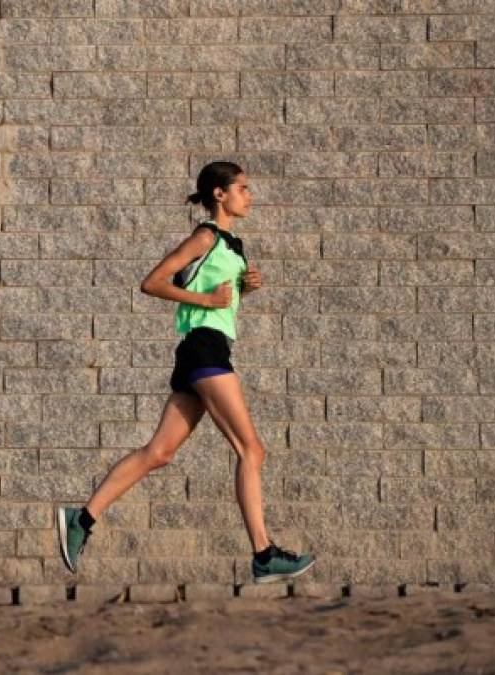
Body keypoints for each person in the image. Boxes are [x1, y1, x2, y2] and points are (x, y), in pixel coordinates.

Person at [57, 161, 316, 584]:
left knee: (159, 453)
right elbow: (152, 282)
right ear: (220, 194)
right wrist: (208, 302)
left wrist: (243, 290)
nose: (250, 195)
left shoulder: (233, 245)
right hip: (204, 349)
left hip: (205, 349)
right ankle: (264, 554)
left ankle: (81, 519)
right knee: (253, 450)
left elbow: (216, 298)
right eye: (243, 188)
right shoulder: (205, 236)